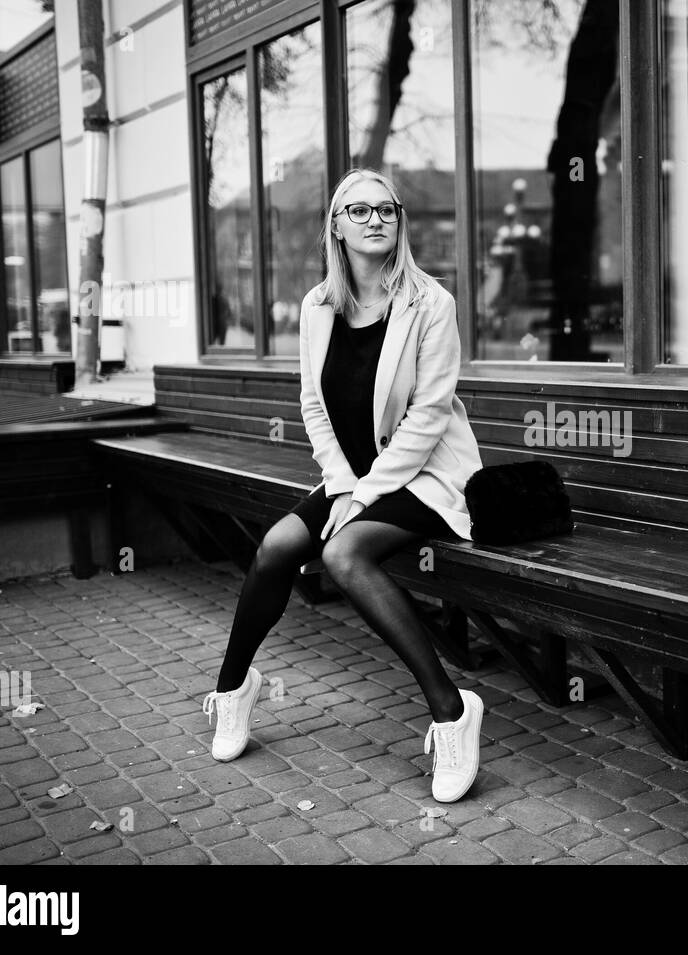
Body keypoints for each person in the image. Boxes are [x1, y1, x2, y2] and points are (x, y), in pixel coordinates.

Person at [201, 168, 486, 804]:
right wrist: (342, 483)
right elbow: (312, 405)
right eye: (358, 211)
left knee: (341, 554)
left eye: (386, 209)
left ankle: (451, 714)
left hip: (424, 476)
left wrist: (365, 494)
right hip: (352, 475)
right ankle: (232, 692)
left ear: (400, 220)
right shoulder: (318, 307)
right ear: (336, 225)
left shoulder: (430, 304)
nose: (375, 219)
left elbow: (429, 416)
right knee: (275, 548)